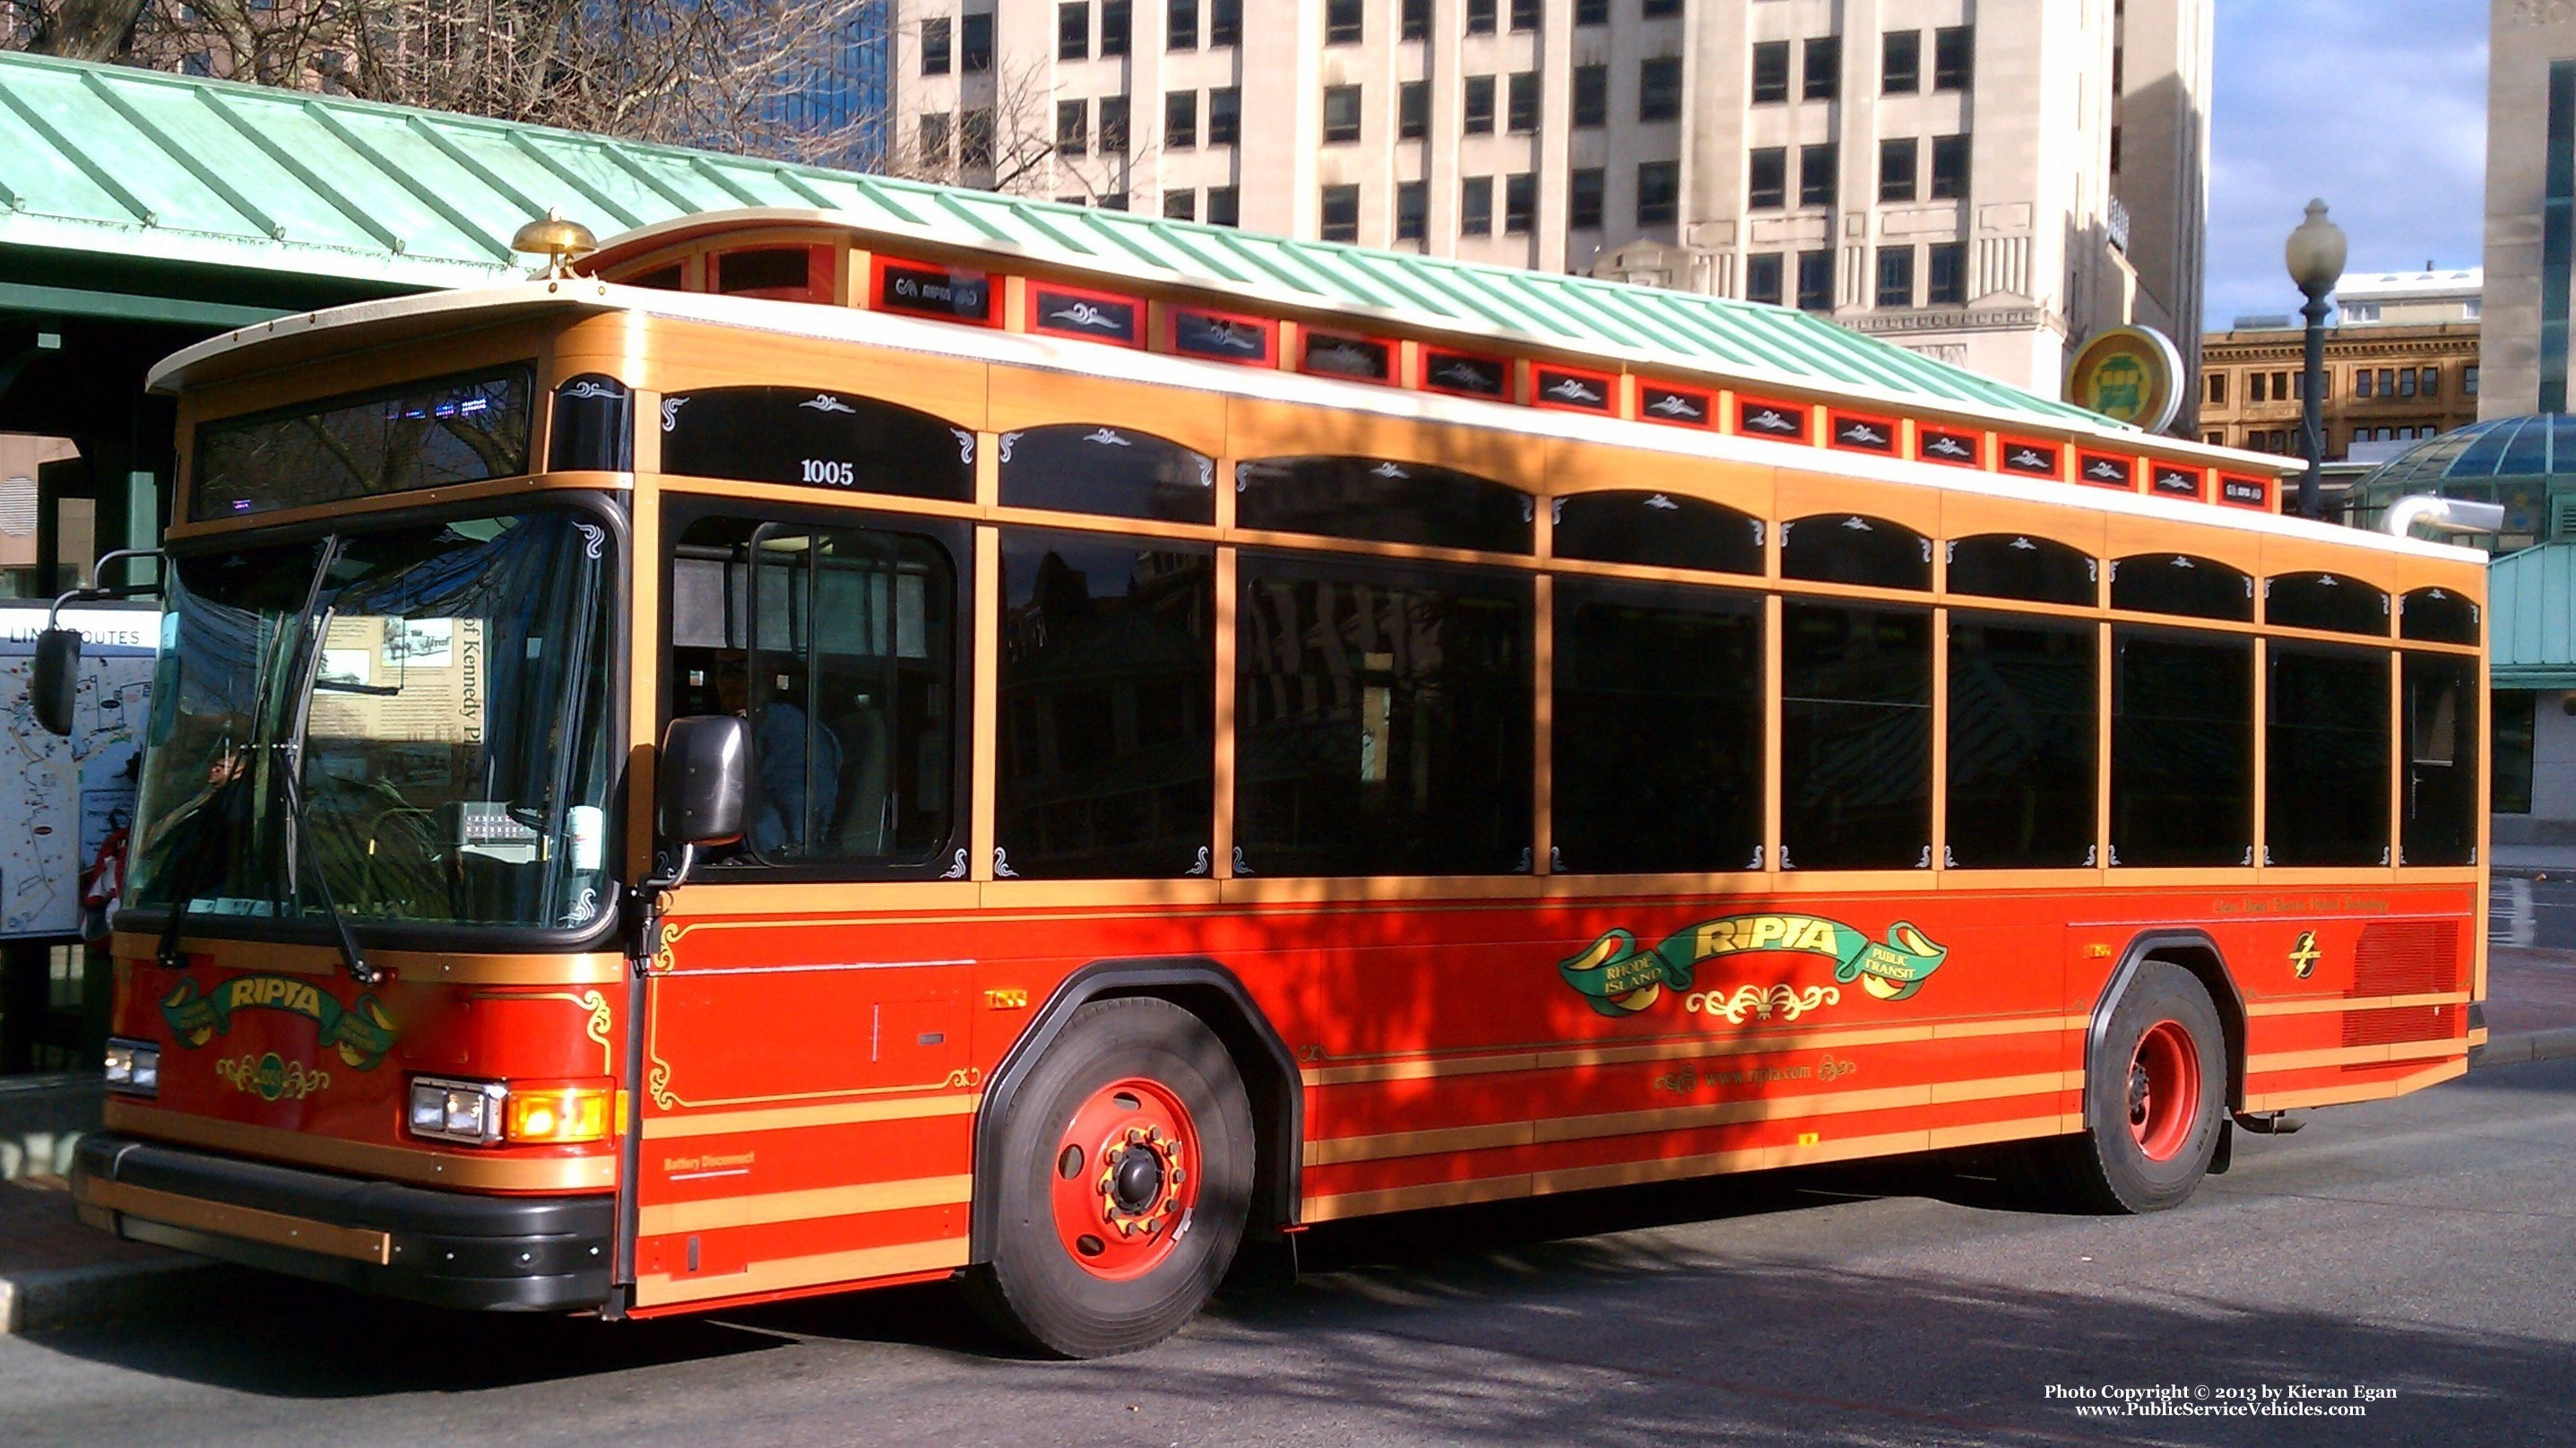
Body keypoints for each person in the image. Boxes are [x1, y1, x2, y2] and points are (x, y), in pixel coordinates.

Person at [713, 657, 842, 856]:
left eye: (741, 668)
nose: (728, 680)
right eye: (722, 669)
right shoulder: (741, 727)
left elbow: (794, 828)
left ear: (768, 674)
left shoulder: (787, 729)